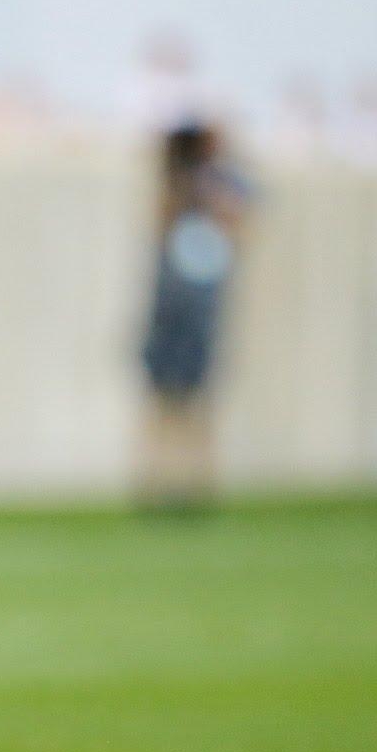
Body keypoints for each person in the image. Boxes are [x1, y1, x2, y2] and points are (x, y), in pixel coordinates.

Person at [138, 122, 245, 507]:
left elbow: (242, 211)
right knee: (166, 402)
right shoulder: (176, 190)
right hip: (174, 312)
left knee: (193, 402)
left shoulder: (211, 187)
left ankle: (195, 484)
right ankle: (159, 484)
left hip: (194, 312)